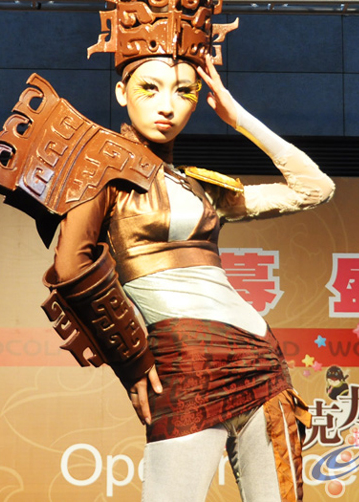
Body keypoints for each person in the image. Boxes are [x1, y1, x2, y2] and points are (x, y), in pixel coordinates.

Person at [44, 52, 335, 502]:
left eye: (184, 92)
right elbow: (69, 269)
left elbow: (314, 188)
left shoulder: (198, 188)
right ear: (121, 93)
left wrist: (236, 116)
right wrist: (131, 359)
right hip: (187, 364)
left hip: (262, 359)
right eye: (150, 87)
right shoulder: (100, 175)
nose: (167, 105)